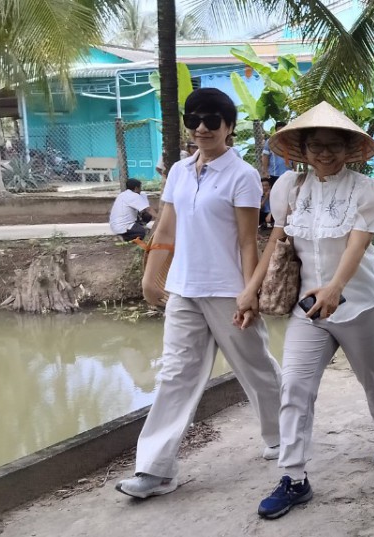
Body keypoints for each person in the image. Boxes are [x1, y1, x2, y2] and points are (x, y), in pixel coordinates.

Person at [115, 88, 283, 500]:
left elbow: (247, 241)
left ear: (229, 126)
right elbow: (166, 228)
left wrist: (250, 293)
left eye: (212, 121)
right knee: (176, 374)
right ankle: (155, 469)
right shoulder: (178, 171)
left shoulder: (242, 175)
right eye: (194, 120)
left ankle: (285, 434)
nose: (202, 128)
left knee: (255, 366)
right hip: (184, 290)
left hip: (228, 290)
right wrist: (151, 277)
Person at [246, 102, 374, 520]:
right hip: (309, 310)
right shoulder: (289, 188)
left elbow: (358, 244)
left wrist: (335, 287)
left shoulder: (368, 190)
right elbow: (276, 243)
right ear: (302, 149)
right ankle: (294, 477)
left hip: (361, 305)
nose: (324, 153)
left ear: (349, 149)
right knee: (294, 387)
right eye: (315, 145)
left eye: (334, 145)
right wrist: (250, 291)